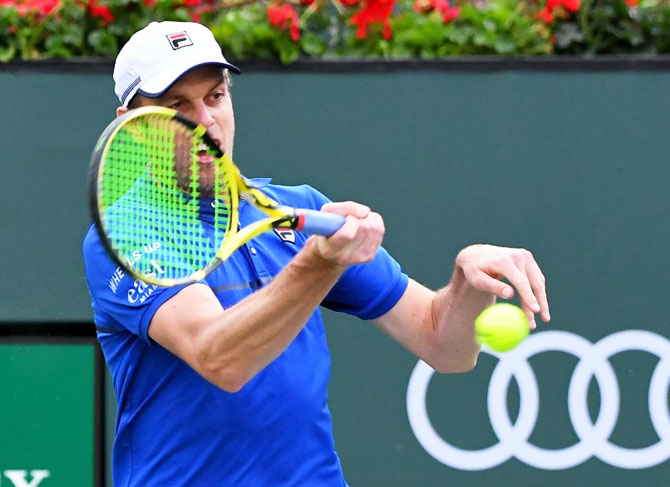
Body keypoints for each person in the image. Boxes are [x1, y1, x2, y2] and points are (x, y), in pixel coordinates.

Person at [83, 20, 550, 487]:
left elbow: (444, 345)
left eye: (215, 97)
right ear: (134, 125)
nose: (205, 121)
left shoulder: (300, 208)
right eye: (176, 106)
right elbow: (220, 358)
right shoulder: (122, 235)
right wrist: (319, 263)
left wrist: (466, 286)